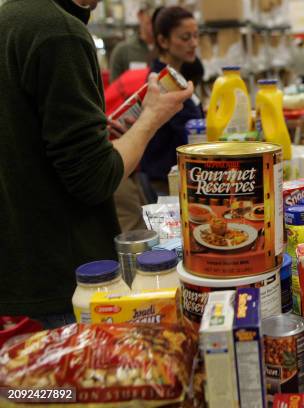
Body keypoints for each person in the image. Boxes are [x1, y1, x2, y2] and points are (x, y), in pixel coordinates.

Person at [0, 0, 194, 327]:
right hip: (63, 280)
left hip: (19, 275)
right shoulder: (58, 32)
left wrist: (96, 137)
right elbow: (95, 178)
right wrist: (152, 118)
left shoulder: (12, 16)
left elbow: (29, 141)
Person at [140, 6, 204, 195]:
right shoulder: (161, 82)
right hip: (166, 181)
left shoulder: (179, 76)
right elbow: (188, 129)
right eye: (185, 38)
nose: (193, 43)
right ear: (163, 41)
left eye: (196, 36)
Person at [109, 0, 155, 82]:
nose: (154, 22)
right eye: (151, 17)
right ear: (140, 15)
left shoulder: (168, 51)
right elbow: (115, 89)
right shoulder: (123, 51)